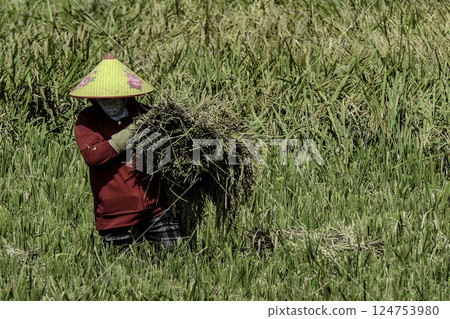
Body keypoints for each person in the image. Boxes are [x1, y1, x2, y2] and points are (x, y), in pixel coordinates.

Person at [71, 53, 183, 252]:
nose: (111, 101)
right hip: (116, 214)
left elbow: (165, 155)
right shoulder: (88, 120)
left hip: (156, 207)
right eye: (105, 98)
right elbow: (94, 156)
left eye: (116, 97)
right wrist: (128, 135)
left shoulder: (145, 114)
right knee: (126, 271)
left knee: (178, 257)